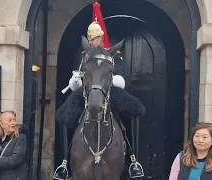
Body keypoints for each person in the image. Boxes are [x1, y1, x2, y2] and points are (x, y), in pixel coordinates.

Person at [54, 2, 146, 180]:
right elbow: (78, 77)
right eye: (90, 37)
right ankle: (64, 161)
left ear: (102, 37)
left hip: (109, 90)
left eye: (95, 37)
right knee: (64, 115)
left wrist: (111, 80)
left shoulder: (114, 55)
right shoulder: (84, 57)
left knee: (133, 110)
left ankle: (133, 159)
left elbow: (120, 76)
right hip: (87, 92)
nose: (92, 40)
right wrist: (75, 81)